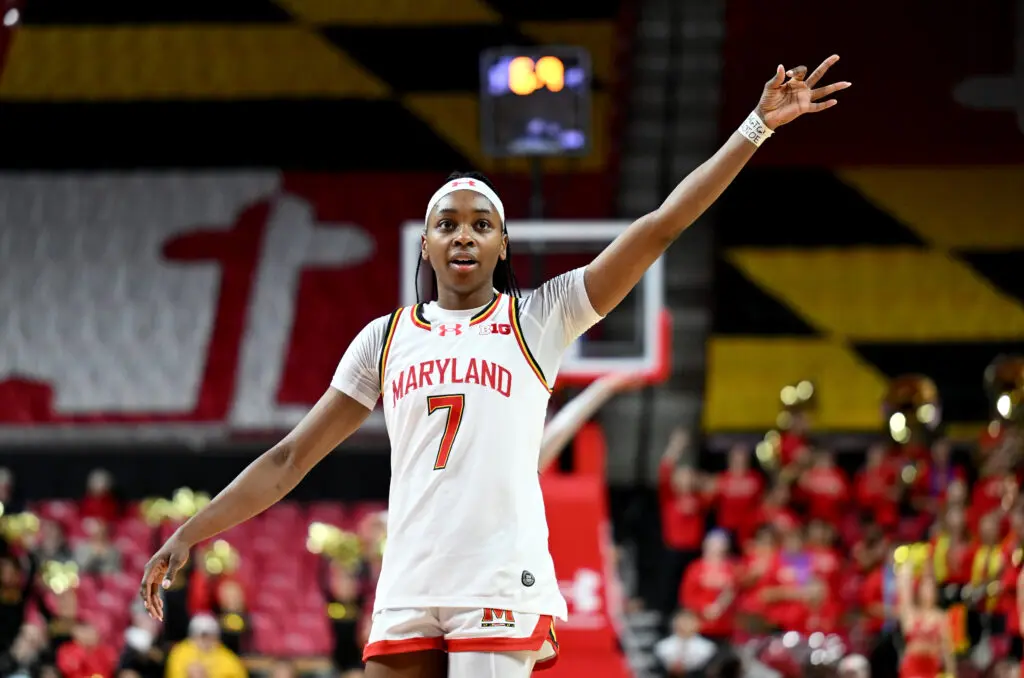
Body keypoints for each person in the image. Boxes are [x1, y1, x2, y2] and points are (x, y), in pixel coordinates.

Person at [140, 55, 849, 678]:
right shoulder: (384, 338)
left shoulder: (539, 317)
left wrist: (755, 128)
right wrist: (189, 532)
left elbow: (661, 223)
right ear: (426, 246)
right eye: (447, 224)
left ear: (503, 246)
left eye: (481, 225)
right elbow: (291, 457)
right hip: (409, 581)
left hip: (496, 578)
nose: (463, 236)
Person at [895, 562, 955, 678]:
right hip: (912, 666)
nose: (928, 592)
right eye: (925, 587)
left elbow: (947, 648)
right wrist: (909, 569)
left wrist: (951, 672)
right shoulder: (912, 614)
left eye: (931, 588)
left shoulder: (941, 616)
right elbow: (903, 590)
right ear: (919, 590)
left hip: (931, 666)